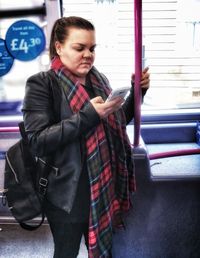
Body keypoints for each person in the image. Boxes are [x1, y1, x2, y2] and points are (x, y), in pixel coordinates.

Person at [22, 16, 150, 258]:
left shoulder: (98, 80)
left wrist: (138, 91)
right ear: (59, 47)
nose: (88, 55)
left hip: (103, 185)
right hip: (67, 195)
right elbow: (37, 140)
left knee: (105, 250)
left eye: (92, 48)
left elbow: (118, 120)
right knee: (66, 251)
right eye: (79, 48)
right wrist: (88, 115)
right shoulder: (41, 84)